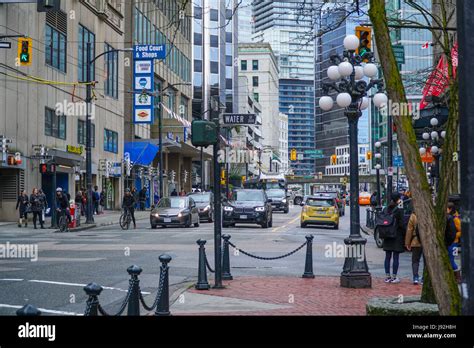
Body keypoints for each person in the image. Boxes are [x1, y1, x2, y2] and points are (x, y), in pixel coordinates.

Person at [382, 192, 405, 283]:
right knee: (396, 256)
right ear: (398, 199)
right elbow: (401, 223)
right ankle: (394, 276)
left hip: (387, 234)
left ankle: (387, 276)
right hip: (396, 235)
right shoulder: (399, 209)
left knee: (387, 256)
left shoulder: (386, 208)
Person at [405, 211, 423, 284]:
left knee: (415, 261)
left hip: (415, 241)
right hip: (427, 241)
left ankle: (415, 277)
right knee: (427, 262)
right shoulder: (428, 213)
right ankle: (424, 278)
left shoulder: (413, 216)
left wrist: (407, 243)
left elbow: (409, 230)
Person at [447, 202, 461, 283]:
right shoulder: (451, 217)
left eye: (447, 209)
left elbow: (461, 230)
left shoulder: (455, 219)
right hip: (451, 242)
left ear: (450, 209)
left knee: (451, 260)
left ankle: (458, 277)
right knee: (450, 259)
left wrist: (454, 236)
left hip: (454, 242)